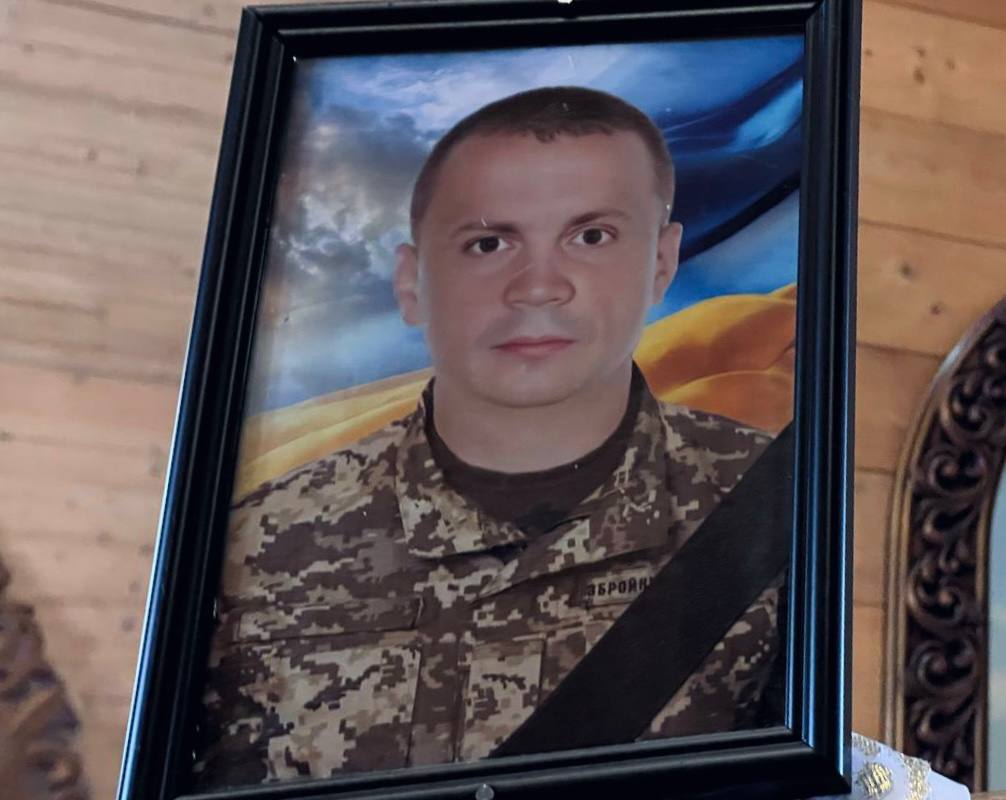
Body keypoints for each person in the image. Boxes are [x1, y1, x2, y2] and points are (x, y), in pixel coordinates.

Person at [191, 87, 966, 800]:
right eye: (488, 244)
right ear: (411, 281)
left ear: (662, 262)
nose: (538, 285)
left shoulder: (772, 512)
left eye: (591, 236)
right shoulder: (261, 547)